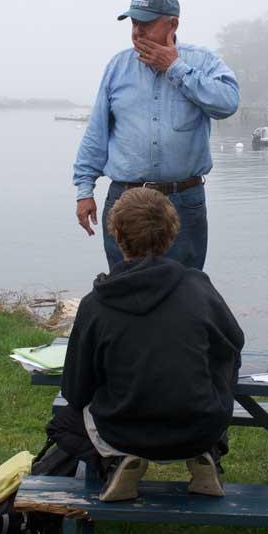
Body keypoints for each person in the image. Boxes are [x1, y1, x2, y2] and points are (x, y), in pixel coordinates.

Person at [52, 187, 244, 501]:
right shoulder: (198, 287)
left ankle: (114, 462)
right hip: (200, 425)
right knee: (223, 362)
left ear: (115, 233)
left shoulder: (96, 305)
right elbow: (234, 341)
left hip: (122, 431)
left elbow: (75, 389)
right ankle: (209, 451)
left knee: (62, 423)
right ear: (172, 234)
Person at [72, 0, 240, 271]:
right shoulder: (117, 67)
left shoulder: (202, 62)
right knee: (124, 285)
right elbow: (96, 132)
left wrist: (175, 67)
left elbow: (227, 103)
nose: (137, 32)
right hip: (125, 200)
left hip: (183, 201)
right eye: (134, 23)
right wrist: (84, 190)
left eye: (146, 23)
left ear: (172, 24)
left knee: (185, 290)